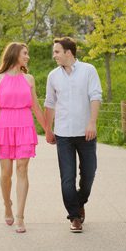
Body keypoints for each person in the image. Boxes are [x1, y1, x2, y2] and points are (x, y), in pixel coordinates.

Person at [44, 36, 102, 233]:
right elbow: (49, 104)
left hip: (86, 133)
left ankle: (80, 201)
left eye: (57, 52)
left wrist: (92, 123)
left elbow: (95, 96)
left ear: (68, 53)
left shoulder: (88, 70)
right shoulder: (53, 76)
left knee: (89, 175)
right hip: (63, 135)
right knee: (67, 178)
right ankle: (74, 216)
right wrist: (48, 129)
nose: (54, 56)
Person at [0, 42, 46, 233]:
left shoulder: (29, 79)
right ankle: (7, 205)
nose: (27, 56)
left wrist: (48, 129)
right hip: (4, 127)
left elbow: (36, 107)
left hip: (25, 126)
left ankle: (21, 216)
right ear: (14, 55)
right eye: (25, 53)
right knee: (6, 174)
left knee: (22, 169)